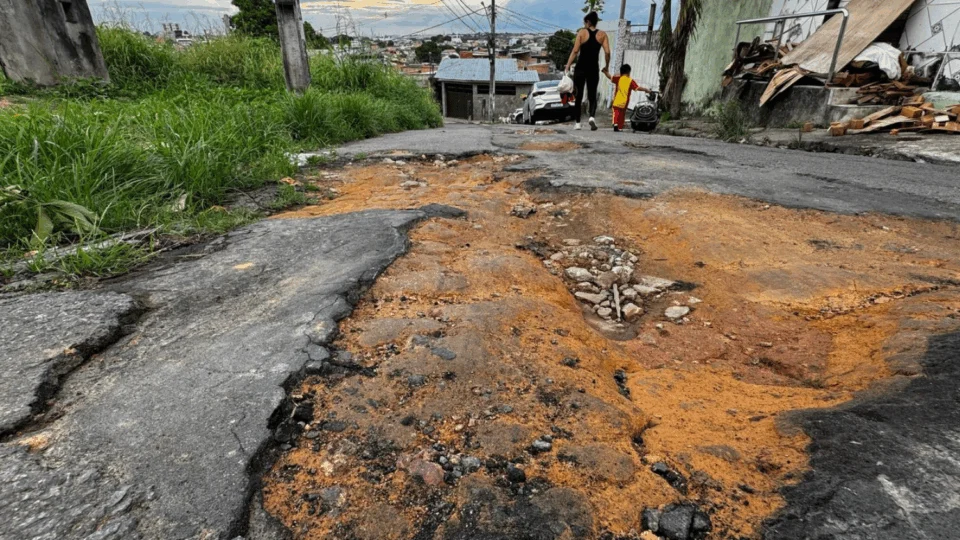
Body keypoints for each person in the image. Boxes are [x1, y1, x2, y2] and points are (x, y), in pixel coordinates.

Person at [564, 11, 610, 131]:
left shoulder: (582, 33)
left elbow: (575, 51)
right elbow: (607, 52)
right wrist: (607, 66)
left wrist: (568, 65)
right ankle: (592, 117)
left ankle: (578, 123)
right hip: (593, 68)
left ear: (588, 22)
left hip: (580, 68)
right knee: (592, 94)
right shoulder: (602, 35)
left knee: (578, 95)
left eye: (585, 22)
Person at [603, 64, 651, 132]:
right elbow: (637, 88)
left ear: (621, 72)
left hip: (617, 100)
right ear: (628, 72)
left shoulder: (618, 78)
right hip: (625, 101)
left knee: (616, 112)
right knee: (622, 114)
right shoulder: (630, 80)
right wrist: (646, 89)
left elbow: (610, 77)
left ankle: (615, 124)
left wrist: (605, 72)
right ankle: (620, 127)